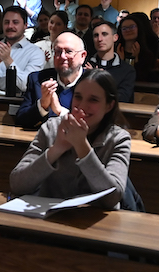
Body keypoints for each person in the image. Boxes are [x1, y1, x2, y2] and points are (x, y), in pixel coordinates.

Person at [9, 69, 130, 210]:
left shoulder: (118, 139)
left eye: (93, 100)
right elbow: (17, 184)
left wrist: (82, 146)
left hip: (95, 224)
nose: (82, 106)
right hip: (49, 218)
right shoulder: (52, 128)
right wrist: (57, 148)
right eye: (78, 97)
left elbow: (112, 197)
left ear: (109, 105)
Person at [15, 31, 87, 129]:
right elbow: (21, 120)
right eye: (57, 51)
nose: (62, 56)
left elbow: (95, 125)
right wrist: (42, 105)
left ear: (82, 56)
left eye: (69, 51)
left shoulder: (93, 83)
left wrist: (60, 111)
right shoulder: (37, 79)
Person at [0, 6, 44, 95]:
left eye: (15, 22)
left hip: (16, 104)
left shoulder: (36, 52)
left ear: (25, 26)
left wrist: (8, 61)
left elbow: (27, 85)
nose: (10, 26)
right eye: (6, 22)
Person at [87, 20, 136, 104]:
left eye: (104, 34)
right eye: (96, 35)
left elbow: (123, 98)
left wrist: (101, 81)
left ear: (115, 37)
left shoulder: (127, 70)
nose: (100, 39)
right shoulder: (85, 65)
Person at [118, 12, 159, 81]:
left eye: (132, 27)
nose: (128, 30)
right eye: (124, 28)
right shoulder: (115, 51)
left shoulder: (147, 54)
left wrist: (135, 59)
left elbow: (140, 77)